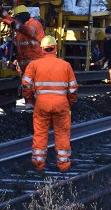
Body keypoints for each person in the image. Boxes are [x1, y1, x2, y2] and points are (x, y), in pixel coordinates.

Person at [21, 35, 78, 173]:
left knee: (40, 134)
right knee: (63, 134)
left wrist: (29, 99)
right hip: (61, 104)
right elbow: (73, 88)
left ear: (42, 49)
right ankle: (63, 166)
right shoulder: (65, 65)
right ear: (55, 48)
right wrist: (70, 101)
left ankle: (38, 164)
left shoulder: (34, 65)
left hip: (42, 104)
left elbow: (26, 85)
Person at [0, 4, 45, 109]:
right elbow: (10, 19)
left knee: (35, 86)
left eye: (17, 18)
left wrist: (13, 24)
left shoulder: (34, 24)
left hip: (37, 63)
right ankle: (30, 106)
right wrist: (1, 10)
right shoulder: (21, 25)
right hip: (25, 65)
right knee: (27, 86)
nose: (17, 21)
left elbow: (28, 31)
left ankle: (38, 107)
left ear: (23, 16)